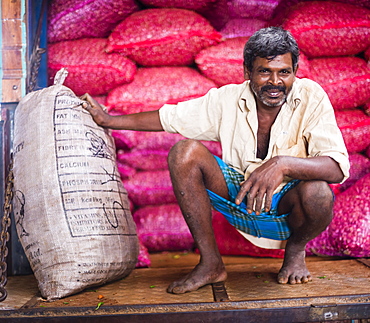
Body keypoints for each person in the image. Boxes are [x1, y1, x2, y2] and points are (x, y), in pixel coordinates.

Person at [81, 26, 349, 294]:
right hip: (240, 199)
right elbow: (168, 118)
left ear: (295, 71)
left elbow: (336, 168)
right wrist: (109, 121)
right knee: (184, 152)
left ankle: (296, 250)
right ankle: (211, 264)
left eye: (284, 72)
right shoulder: (227, 99)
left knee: (318, 191)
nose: (275, 82)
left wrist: (282, 164)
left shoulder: (311, 96)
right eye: (265, 71)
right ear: (248, 72)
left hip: (289, 212)